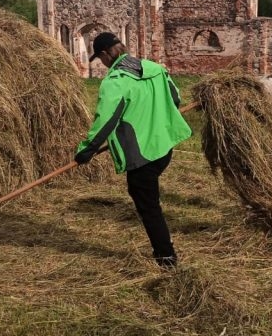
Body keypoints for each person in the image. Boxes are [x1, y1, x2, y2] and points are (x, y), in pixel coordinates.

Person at [74, 32, 192, 269]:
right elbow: (175, 98)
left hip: (142, 154)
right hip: (164, 147)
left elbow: (106, 120)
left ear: (107, 54)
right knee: (148, 198)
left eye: (101, 59)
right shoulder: (155, 68)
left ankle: (166, 257)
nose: (103, 64)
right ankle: (164, 252)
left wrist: (87, 149)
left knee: (148, 205)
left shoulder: (115, 81)